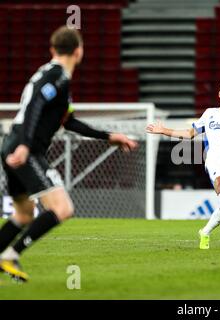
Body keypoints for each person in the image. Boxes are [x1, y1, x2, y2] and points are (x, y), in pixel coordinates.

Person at [0, 26, 138, 281]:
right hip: (24, 148)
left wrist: (109, 137)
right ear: (79, 51)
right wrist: (26, 146)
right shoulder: (58, 76)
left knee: (23, 214)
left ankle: (6, 254)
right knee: (63, 208)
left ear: (53, 49)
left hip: (13, 145)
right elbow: (34, 106)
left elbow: (70, 121)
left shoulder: (51, 75)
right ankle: (11, 255)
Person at [146, 80, 220, 249]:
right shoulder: (209, 113)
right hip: (213, 159)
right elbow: (190, 133)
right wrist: (164, 130)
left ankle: (205, 232)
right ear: (219, 94)